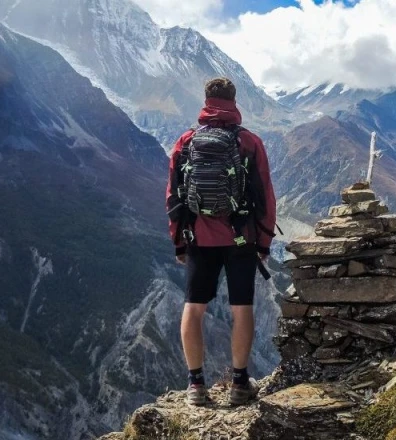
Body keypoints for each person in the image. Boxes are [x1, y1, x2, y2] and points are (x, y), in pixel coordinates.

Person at [165, 77, 277, 406]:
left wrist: (179, 242)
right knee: (242, 309)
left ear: (206, 101)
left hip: (198, 237)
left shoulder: (186, 142)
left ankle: (196, 386)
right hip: (241, 238)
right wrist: (264, 242)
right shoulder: (250, 142)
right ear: (234, 101)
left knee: (194, 308)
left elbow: (173, 196)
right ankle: (240, 384)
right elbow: (266, 196)